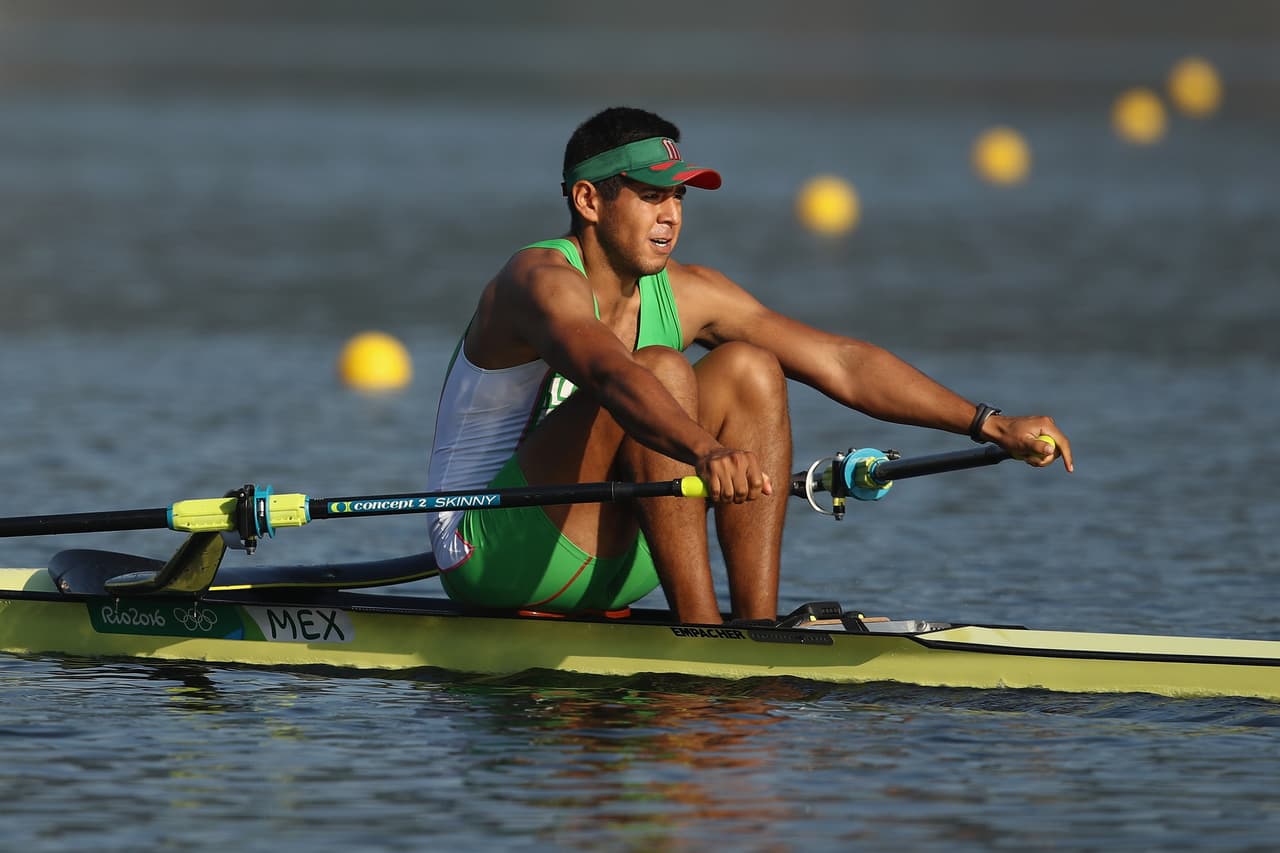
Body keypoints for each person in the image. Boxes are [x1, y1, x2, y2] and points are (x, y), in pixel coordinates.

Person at [426, 106, 1073, 626]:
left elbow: (841, 362)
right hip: (493, 553)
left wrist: (989, 423)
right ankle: (704, 633)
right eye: (650, 196)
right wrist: (706, 450)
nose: (671, 215)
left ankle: (753, 628)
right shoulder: (536, 280)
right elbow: (609, 375)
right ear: (590, 201)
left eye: (677, 196)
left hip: (625, 553)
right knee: (658, 368)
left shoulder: (691, 290)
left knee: (750, 367)